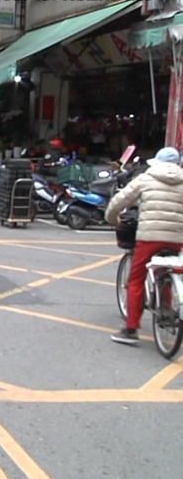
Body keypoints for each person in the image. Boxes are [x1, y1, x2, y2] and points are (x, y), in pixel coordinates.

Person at [105, 147, 183, 345]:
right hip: (177, 238)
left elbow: (120, 201)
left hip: (149, 237)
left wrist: (112, 219)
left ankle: (131, 329)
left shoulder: (146, 178)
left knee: (136, 280)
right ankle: (167, 311)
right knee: (166, 270)